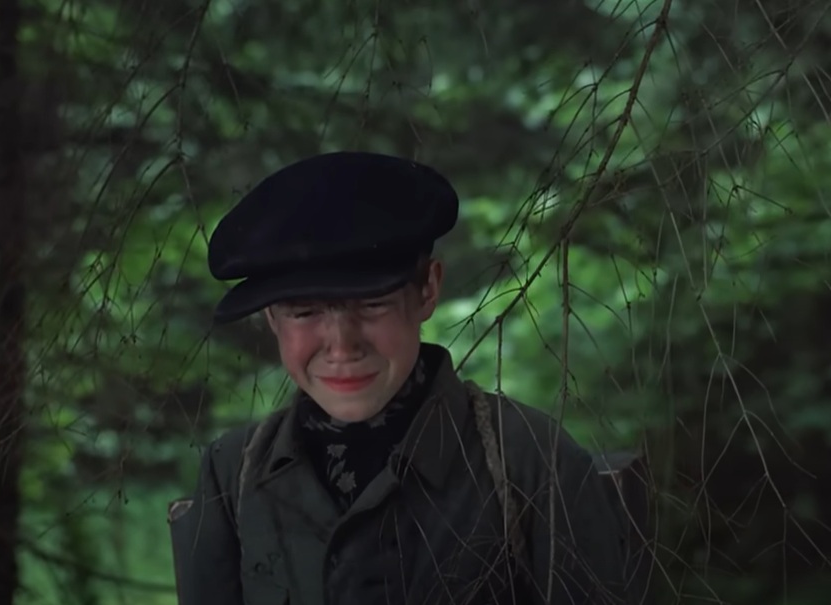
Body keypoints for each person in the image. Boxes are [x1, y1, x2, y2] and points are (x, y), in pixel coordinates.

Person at [170, 151, 629, 605]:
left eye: (373, 304)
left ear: (428, 289)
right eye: (305, 312)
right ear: (272, 317)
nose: (342, 346)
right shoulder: (232, 474)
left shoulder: (528, 462)